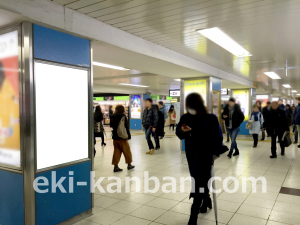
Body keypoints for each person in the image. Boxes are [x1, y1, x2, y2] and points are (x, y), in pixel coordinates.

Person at [176, 93, 222, 225]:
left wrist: (214, 152)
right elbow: (179, 133)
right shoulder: (185, 117)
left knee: (199, 182)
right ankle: (206, 199)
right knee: (198, 179)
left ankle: (194, 213)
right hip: (192, 154)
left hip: (206, 154)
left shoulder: (210, 118)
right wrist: (183, 131)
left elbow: (217, 138)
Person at [110, 105, 134, 172]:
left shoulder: (112, 116)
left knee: (116, 151)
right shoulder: (123, 116)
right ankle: (129, 164)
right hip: (122, 137)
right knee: (127, 151)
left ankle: (115, 166)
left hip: (115, 137)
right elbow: (126, 127)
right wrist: (128, 135)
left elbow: (111, 125)